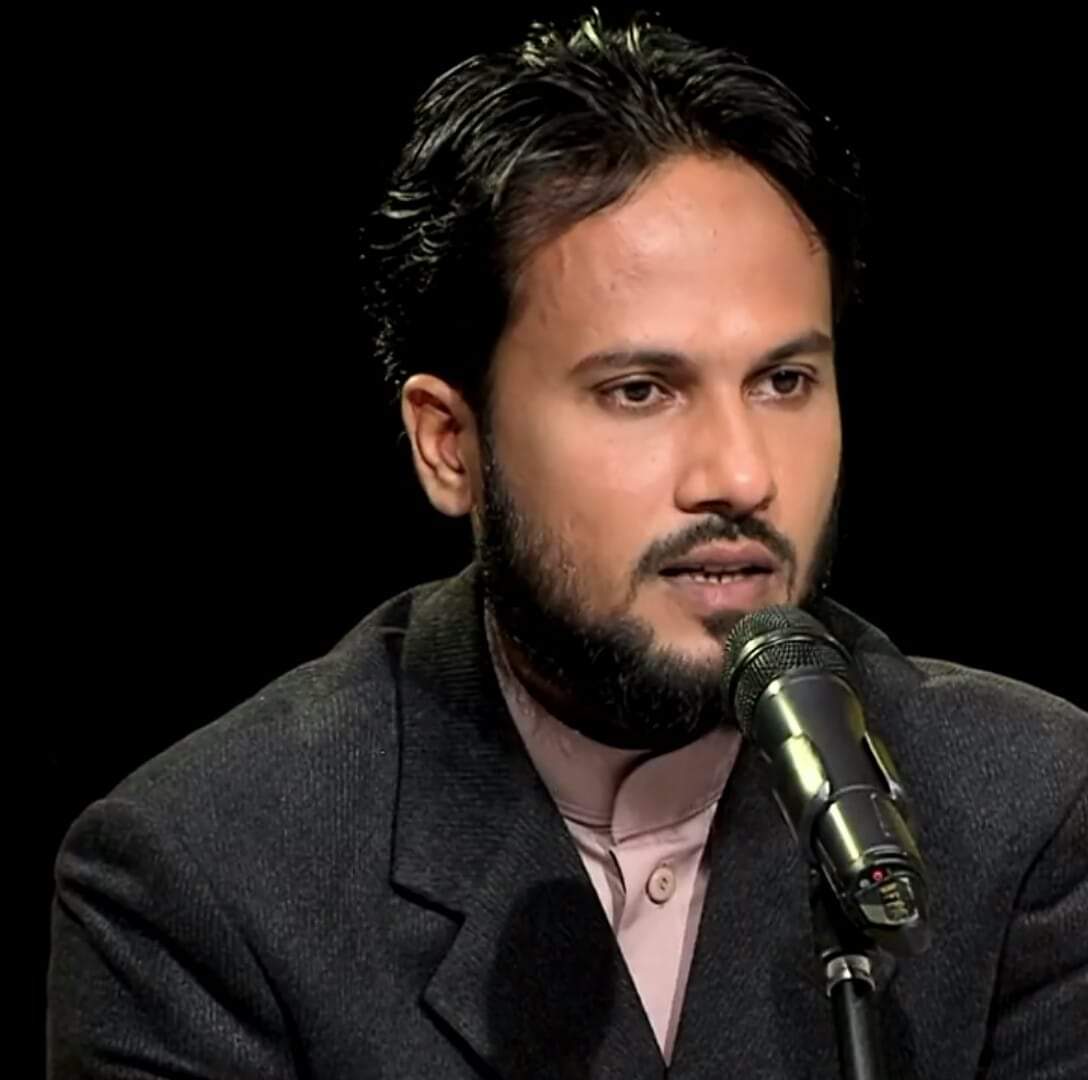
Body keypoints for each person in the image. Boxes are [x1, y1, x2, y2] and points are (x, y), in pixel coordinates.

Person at [47, 10, 1086, 1078]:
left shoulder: (1026, 808)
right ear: (450, 444)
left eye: (783, 381)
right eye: (639, 391)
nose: (740, 475)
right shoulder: (206, 879)